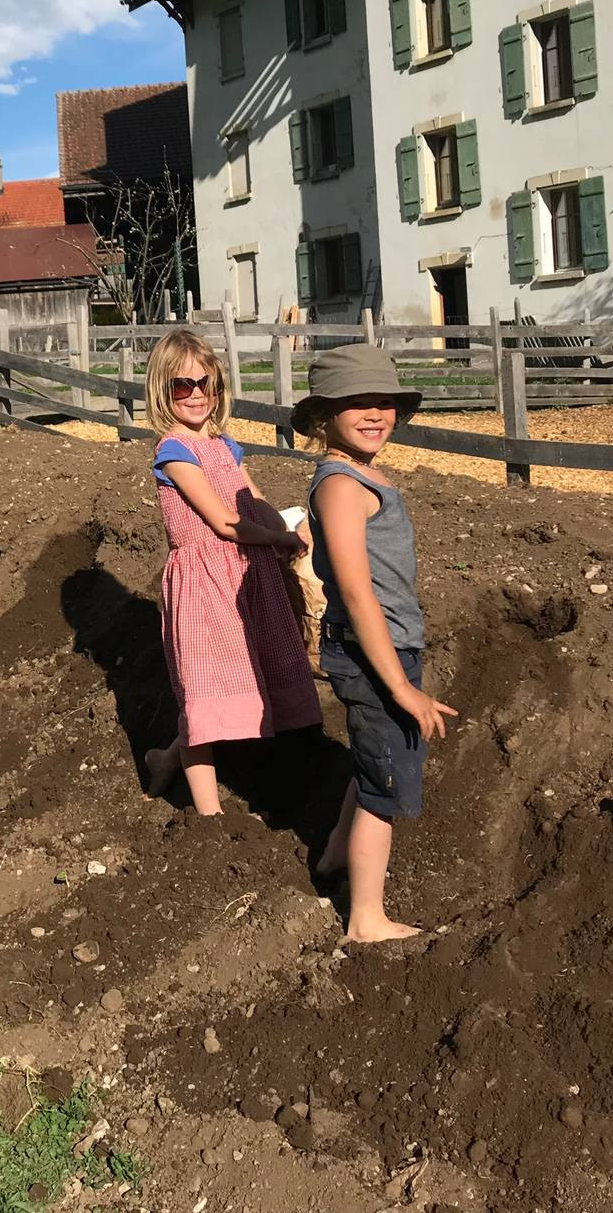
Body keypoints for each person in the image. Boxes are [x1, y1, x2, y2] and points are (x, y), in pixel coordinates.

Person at [294, 344, 459, 944]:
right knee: (384, 789)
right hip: (372, 654)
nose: (375, 413)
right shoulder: (340, 486)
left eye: (384, 402)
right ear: (322, 417)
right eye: (357, 402)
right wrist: (401, 689)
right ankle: (365, 917)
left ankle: (337, 851)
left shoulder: (364, 476)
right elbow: (359, 596)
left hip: (385, 647)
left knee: (372, 762)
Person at [139, 329, 321, 816]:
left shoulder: (224, 445)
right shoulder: (173, 451)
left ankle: (165, 760)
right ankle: (208, 815)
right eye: (183, 386)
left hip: (246, 578)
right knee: (203, 693)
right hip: (204, 586)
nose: (197, 394)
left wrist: (289, 529)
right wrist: (279, 538)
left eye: (207, 383)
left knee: (251, 675)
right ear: (163, 390)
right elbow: (223, 521)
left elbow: (252, 501)